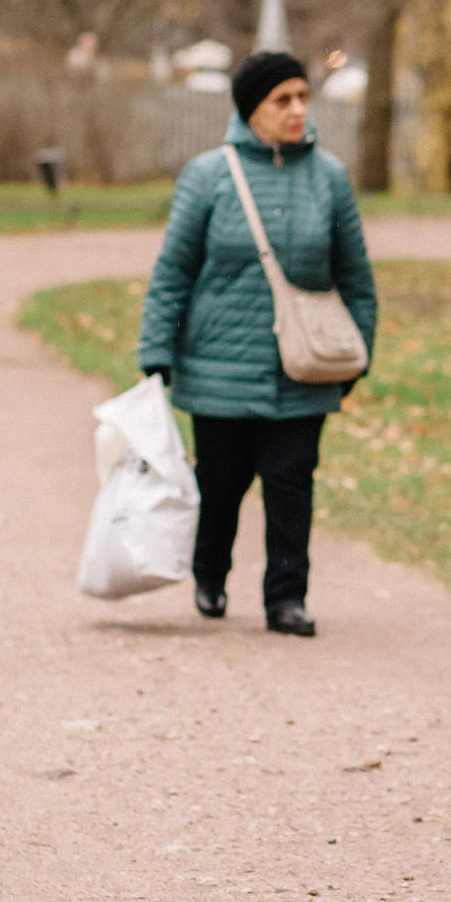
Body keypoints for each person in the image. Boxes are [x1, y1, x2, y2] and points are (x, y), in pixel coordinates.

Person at [137, 50, 377, 638]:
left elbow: (357, 280)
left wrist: (355, 360)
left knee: (292, 482)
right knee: (220, 483)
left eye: (302, 97)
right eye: (282, 100)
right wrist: (157, 354)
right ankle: (210, 572)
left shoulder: (330, 178)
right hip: (219, 367)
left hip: (305, 368)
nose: (297, 110)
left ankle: (286, 598)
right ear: (252, 109)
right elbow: (173, 272)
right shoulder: (208, 175)